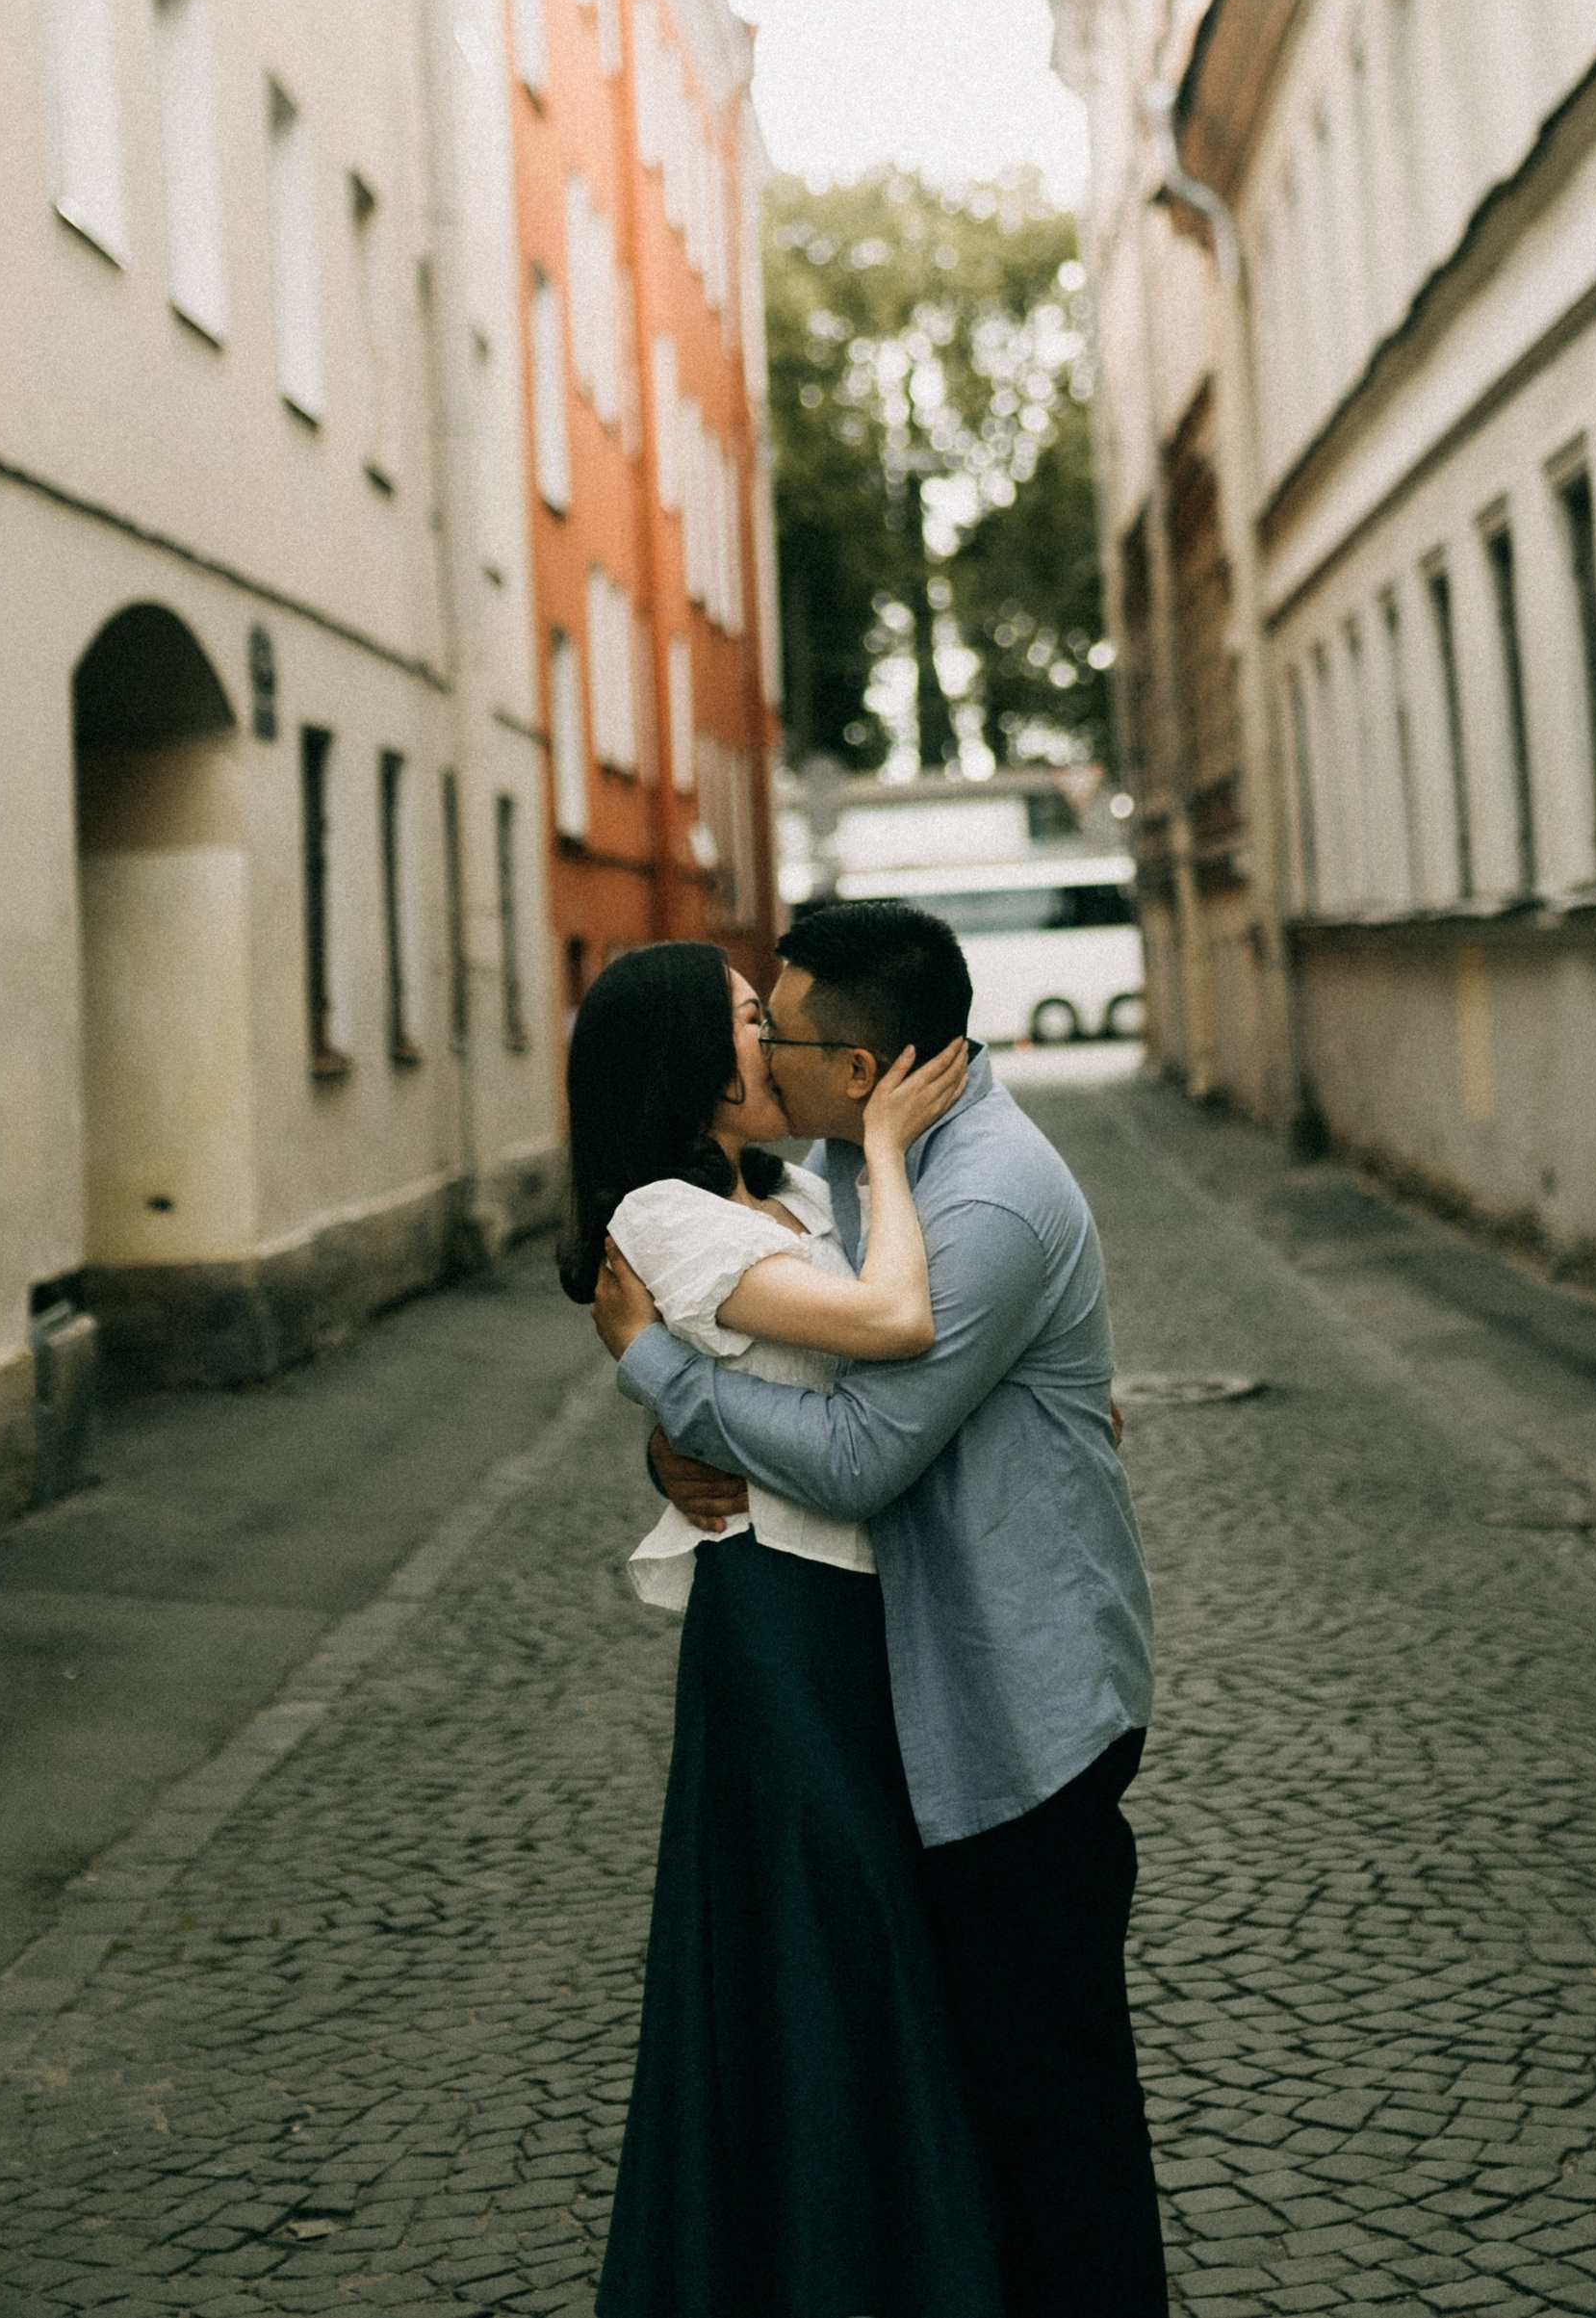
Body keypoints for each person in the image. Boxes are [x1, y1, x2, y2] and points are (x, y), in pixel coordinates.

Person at [593, 898, 1167, 2318]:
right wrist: (690, 1432)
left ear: (859, 1071)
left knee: (1055, 2107)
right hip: (928, 1680)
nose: (763, 1052)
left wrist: (668, 1388)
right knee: (952, 2080)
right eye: (747, 1025)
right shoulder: (853, 1170)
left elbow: (856, 1451)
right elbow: (774, 1324)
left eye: (777, 1029)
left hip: (1021, 1708)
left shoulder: (977, 1196)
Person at [557, 938, 1003, 2318]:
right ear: (690, 1062)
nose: (780, 1046)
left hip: (851, 1622)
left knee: (853, 1958)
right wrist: (885, 1144)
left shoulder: (779, 1188)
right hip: (779, 1633)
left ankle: (869, 2265)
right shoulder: (666, 1216)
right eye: (754, 1023)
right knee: (819, 1955)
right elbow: (893, 1313)